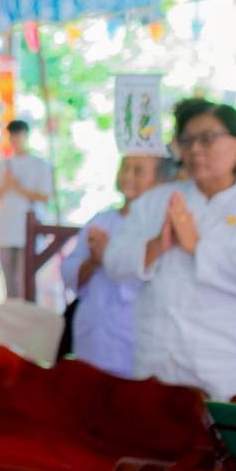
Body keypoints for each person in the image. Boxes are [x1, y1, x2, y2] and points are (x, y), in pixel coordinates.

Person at [105, 103, 236, 399]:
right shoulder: (156, 201)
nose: (194, 149)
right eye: (187, 140)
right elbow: (114, 263)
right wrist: (157, 246)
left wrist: (197, 247)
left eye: (207, 139)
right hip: (161, 362)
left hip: (233, 369)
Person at [58, 154, 168, 377]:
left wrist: (110, 258)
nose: (128, 176)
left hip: (134, 335)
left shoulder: (159, 227)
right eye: (124, 168)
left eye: (138, 171)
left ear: (160, 180)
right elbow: (71, 274)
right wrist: (94, 261)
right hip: (93, 332)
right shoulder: (101, 220)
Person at [0, 118, 54, 300]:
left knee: (26, 279)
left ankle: (26, 312)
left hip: (27, 229)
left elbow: (45, 196)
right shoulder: (2, 166)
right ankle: (12, 311)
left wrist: (18, 187)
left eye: (19, 135)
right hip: (6, 229)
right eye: (13, 135)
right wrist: (6, 185)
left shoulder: (39, 165)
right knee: (9, 282)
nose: (16, 139)